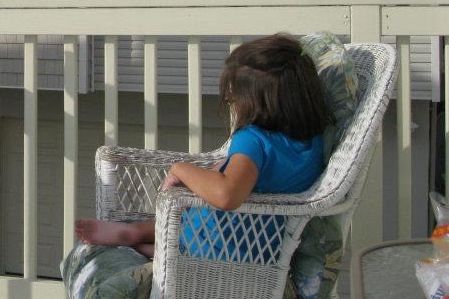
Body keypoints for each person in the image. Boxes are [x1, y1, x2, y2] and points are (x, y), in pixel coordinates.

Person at [72, 33, 333, 266]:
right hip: (265, 250)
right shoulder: (312, 141)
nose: (232, 105)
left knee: (194, 211)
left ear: (257, 102)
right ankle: (140, 233)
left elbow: (226, 195)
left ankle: (147, 244)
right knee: (200, 202)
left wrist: (181, 169)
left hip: (217, 249)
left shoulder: (252, 140)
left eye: (233, 99)